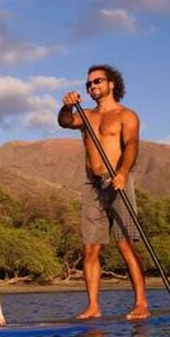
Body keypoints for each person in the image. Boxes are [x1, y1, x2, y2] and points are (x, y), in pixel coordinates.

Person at [58, 64, 150, 320]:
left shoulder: (126, 115)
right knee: (90, 247)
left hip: (117, 181)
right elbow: (65, 122)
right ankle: (93, 307)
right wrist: (66, 106)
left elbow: (132, 145)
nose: (92, 87)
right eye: (88, 84)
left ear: (112, 84)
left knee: (125, 245)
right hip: (92, 184)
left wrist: (122, 172)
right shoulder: (85, 115)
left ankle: (141, 303)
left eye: (97, 81)